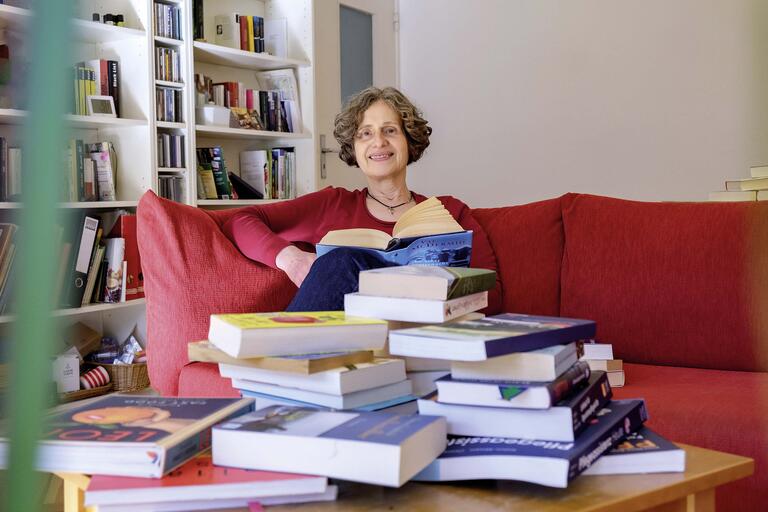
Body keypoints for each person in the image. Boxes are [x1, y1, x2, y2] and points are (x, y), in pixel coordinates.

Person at [223, 86, 502, 313]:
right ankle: (283, 353)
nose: (378, 142)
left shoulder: (450, 212)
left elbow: (492, 295)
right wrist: (291, 259)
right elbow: (241, 221)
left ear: (409, 141)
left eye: (390, 130)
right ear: (354, 148)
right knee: (342, 261)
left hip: (423, 335)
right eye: (365, 133)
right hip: (346, 340)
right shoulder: (331, 204)